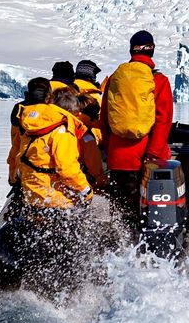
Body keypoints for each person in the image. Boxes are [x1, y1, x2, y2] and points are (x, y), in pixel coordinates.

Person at [100, 30, 173, 215]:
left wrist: (110, 148)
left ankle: (121, 242)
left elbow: (105, 118)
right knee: (151, 212)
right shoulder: (159, 80)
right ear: (152, 50)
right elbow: (163, 120)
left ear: (131, 51)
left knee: (121, 212)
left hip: (119, 157)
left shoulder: (115, 79)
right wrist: (153, 153)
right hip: (149, 156)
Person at [15, 86, 94, 209]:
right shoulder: (63, 132)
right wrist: (85, 189)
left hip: (32, 193)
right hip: (53, 197)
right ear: (71, 111)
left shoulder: (34, 127)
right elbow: (67, 168)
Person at [7, 77, 52, 191]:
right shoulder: (54, 113)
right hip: (48, 174)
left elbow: (16, 148)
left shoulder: (21, 111)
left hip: (23, 170)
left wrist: (13, 177)